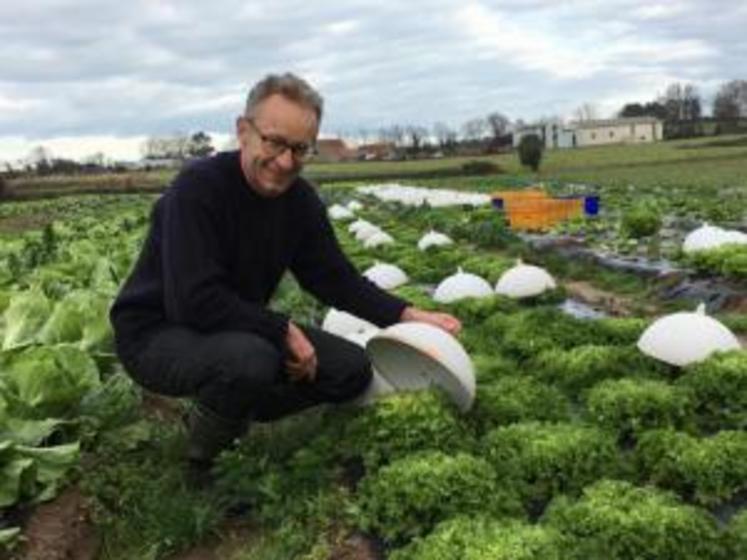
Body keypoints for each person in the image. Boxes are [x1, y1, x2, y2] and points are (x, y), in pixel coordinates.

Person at [109, 72, 461, 484]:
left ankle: (230, 406)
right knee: (249, 360)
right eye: (274, 142)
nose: (285, 162)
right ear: (244, 131)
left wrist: (405, 314)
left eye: (300, 149)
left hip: (234, 329)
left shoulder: (299, 201)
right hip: (156, 333)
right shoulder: (198, 189)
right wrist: (280, 330)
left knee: (350, 370)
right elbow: (192, 300)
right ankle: (205, 469)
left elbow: (333, 277)